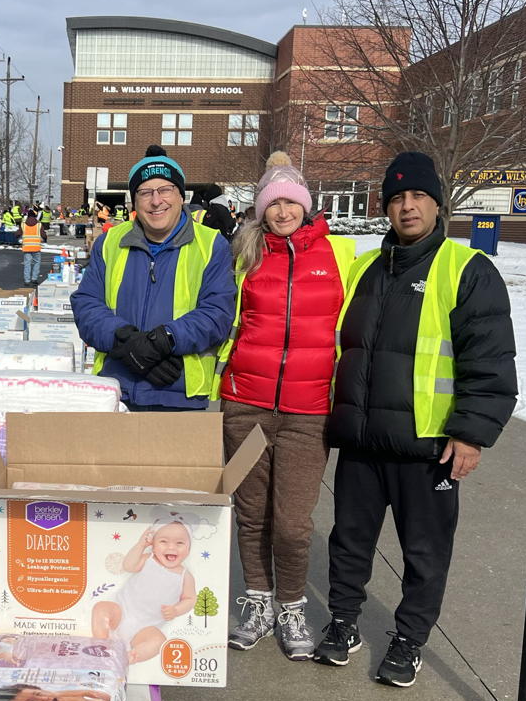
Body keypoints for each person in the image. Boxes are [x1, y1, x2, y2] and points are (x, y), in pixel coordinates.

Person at [315, 151, 517, 687]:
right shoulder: (364, 268)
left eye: (418, 197)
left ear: (436, 205)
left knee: (424, 552)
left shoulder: (467, 269)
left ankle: (409, 638)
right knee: (349, 541)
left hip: (428, 446)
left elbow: (489, 360)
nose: (407, 207)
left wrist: (471, 434)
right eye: (397, 198)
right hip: (363, 440)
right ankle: (343, 623)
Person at [218, 152, 357, 659]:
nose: (282, 211)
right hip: (245, 403)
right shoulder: (245, 254)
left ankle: (291, 603)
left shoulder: (340, 255)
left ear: (306, 205)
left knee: (293, 521)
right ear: (261, 209)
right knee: (251, 513)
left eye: (290, 202)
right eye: (272, 203)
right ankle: (258, 599)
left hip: (308, 410)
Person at [70, 146, 236, 411]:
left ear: (181, 196)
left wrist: (165, 339)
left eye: (165, 189)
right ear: (134, 201)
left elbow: (217, 313)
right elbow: (87, 305)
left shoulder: (211, 245)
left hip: (180, 396)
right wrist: (124, 340)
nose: (156, 201)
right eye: (145, 192)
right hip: (115, 394)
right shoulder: (111, 242)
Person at [91, 519, 197, 663]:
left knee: (158, 640)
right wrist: (141, 545)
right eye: (164, 542)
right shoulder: (149, 559)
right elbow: (128, 565)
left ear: (188, 549)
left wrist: (176, 610)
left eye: (180, 543)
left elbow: (190, 599)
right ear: (153, 545)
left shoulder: (185, 575)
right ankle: (102, 643)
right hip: (121, 612)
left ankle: (129, 657)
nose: (171, 547)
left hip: (145, 628)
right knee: (101, 608)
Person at [19, 208, 44, 285]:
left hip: (27, 248)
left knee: (27, 264)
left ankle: (27, 280)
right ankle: (34, 279)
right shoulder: (39, 225)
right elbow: (43, 234)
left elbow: (17, 233)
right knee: (37, 263)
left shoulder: (23, 224)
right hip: (36, 248)